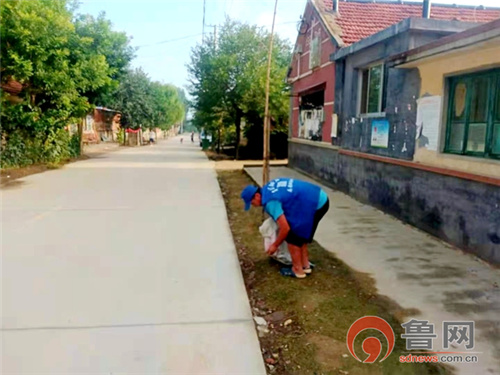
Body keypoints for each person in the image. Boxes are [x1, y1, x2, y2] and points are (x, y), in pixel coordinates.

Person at [241, 178, 329, 279]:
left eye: (252, 203)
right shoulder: (268, 188)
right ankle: (305, 266)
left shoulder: (271, 202)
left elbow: (285, 228)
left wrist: (275, 245)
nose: (254, 206)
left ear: (257, 196)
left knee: (293, 235)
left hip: (314, 203)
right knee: (301, 232)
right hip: (318, 196)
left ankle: (298, 270)